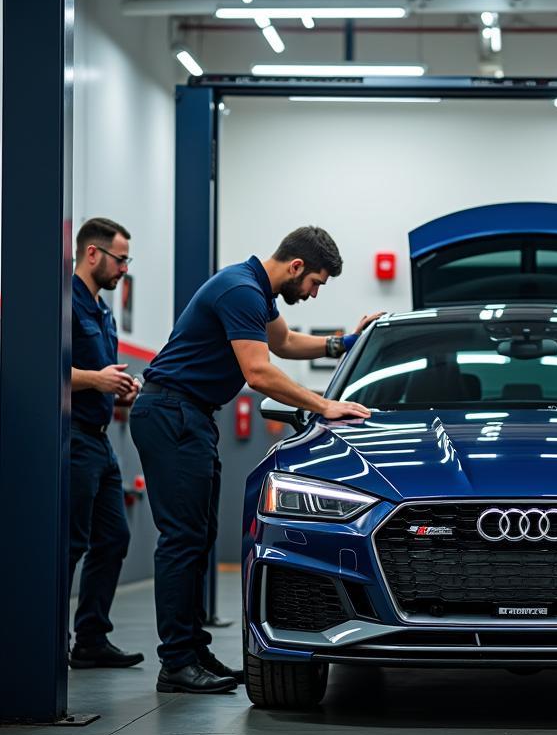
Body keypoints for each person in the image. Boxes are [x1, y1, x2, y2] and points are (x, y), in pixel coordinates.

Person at [130, 227, 379, 695]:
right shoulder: (241, 290)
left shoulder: (256, 293)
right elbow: (259, 371)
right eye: (316, 283)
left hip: (190, 416)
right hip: (171, 412)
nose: (314, 292)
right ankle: (177, 663)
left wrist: (345, 343)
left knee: (196, 537)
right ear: (296, 267)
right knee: (182, 539)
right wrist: (324, 405)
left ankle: (192, 649)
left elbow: (283, 343)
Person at [68, 218, 144, 669]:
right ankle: (44, 639)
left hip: (100, 440)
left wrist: (120, 390)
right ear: (92, 254)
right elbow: (42, 367)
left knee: (113, 539)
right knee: (72, 544)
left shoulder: (103, 310)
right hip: (71, 439)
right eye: (120, 259)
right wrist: (96, 379)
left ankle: (92, 638)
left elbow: (100, 376)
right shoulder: (62, 302)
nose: (124, 269)